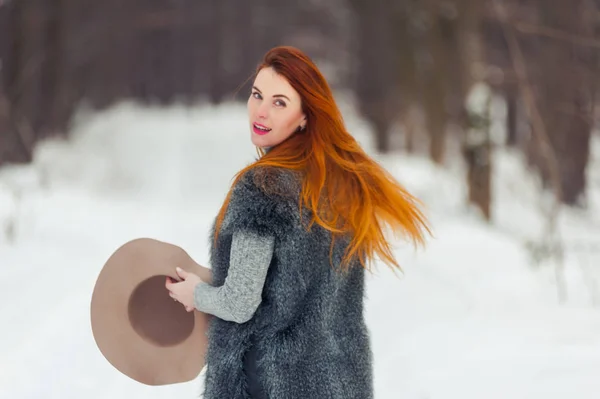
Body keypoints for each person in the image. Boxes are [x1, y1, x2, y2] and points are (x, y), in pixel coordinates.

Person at [165, 45, 430, 399]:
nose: (261, 111)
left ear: (305, 116)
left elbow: (240, 302)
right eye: (257, 95)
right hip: (339, 380)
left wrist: (194, 293)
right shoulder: (338, 184)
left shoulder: (262, 187)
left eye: (279, 102)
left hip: (271, 382)